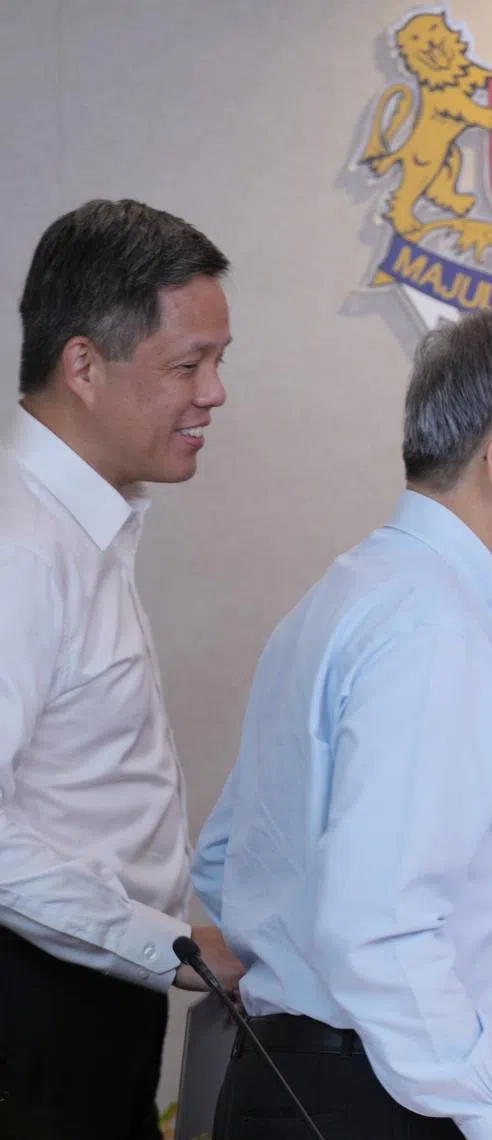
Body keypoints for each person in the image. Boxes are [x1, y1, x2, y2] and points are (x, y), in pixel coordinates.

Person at [193, 306, 492, 1140]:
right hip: (380, 1103)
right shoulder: (435, 630)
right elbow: (380, 934)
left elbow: (228, 860)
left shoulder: (352, 593)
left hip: (307, 1084)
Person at [0, 199, 246, 1139]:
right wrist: (169, 945)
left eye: (219, 361)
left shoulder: (79, 525)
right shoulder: (22, 546)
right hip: (33, 1017)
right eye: (188, 364)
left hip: (86, 1005)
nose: (214, 393)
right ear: (83, 365)